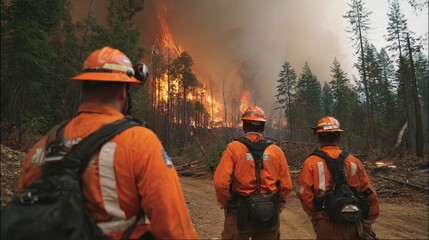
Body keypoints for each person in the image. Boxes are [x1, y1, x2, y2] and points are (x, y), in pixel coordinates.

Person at [17, 46, 198, 239]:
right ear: (123, 90)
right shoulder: (139, 142)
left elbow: (26, 216)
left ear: (85, 88)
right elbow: (175, 229)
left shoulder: (42, 146)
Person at [214, 105, 292, 240]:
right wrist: (278, 205)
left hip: (240, 212)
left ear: (244, 126)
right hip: (269, 212)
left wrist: (227, 203)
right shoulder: (276, 151)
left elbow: (220, 183)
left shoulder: (234, 148)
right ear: (262, 127)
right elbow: (287, 186)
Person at [296, 116, 380, 240]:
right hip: (353, 222)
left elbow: (303, 193)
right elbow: (369, 193)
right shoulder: (354, 162)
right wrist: (368, 221)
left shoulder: (311, 162)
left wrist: (315, 215)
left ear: (319, 137)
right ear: (339, 137)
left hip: (326, 221)